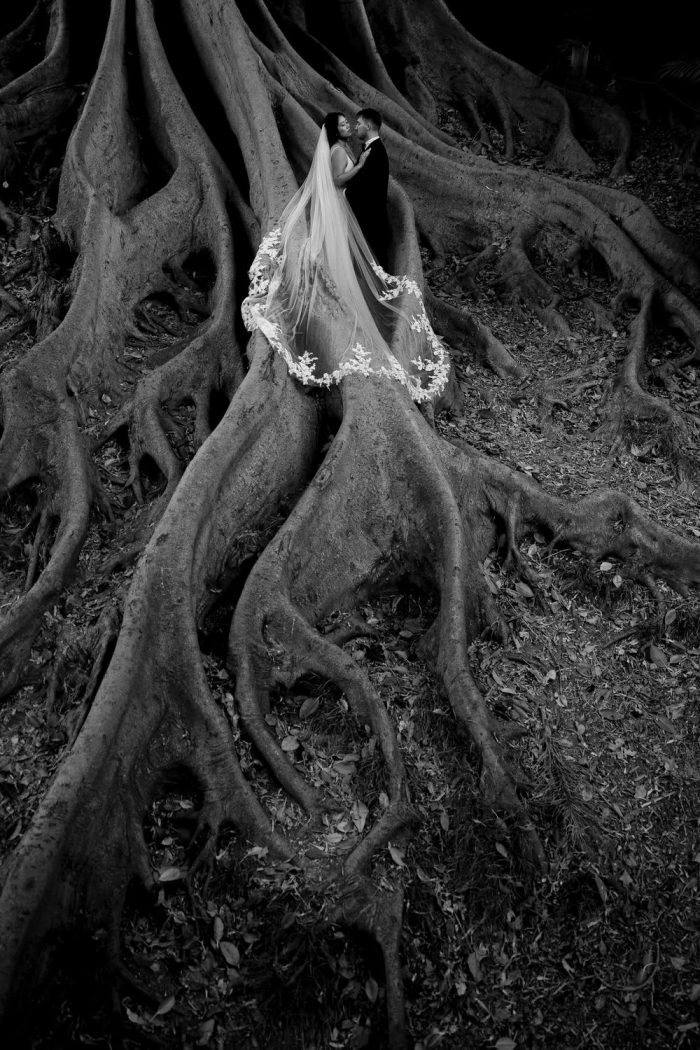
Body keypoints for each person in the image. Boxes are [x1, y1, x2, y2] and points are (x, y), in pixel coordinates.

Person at [241, 112, 448, 404]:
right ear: (334, 131)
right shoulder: (339, 151)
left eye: (352, 123)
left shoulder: (351, 148)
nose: (350, 125)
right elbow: (337, 181)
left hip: (346, 214)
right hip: (339, 211)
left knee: (347, 266)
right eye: (343, 124)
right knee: (336, 262)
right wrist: (361, 166)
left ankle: (344, 298)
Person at [344, 108, 390, 270]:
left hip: (372, 223)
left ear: (369, 125)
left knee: (378, 271)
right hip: (368, 222)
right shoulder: (371, 149)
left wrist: (341, 195)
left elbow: (364, 189)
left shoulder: (375, 152)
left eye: (358, 123)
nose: (355, 127)